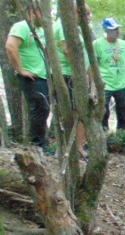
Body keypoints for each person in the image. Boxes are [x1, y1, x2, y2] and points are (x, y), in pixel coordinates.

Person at [6, 6, 48, 149]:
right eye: (43, 12)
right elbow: (10, 46)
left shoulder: (41, 29)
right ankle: (37, 145)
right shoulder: (21, 27)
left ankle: (40, 143)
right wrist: (20, 70)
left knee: (44, 109)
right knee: (40, 108)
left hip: (44, 75)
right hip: (32, 76)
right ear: (34, 12)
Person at [54, 4, 91, 157]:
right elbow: (68, 51)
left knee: (78, 111)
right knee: (75, 112)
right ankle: (74, 148)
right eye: (86, 13)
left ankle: (75, 146)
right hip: (69, 75)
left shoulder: (73, 27)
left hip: (74, 75)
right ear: (75, 11)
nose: (88, 17)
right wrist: (80, 75)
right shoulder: (64, 25)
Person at [93, 17, 125, 131]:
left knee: (122, 112)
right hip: (105, 83)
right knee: (104, 111)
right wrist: (94, 85)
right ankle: (104, 133)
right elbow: (94, 65)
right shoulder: (97, 44)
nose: (117, 32)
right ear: (106, 30)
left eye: (117, 29)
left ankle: (121, 134)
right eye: (114, 29)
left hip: (122, 83)